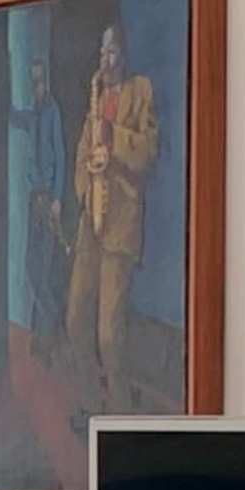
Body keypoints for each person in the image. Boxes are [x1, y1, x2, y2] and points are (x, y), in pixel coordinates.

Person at [70, 21, 161, 406]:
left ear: (123, 54)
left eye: (110, 52)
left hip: (120, 225)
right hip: (91, 222)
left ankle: (120, 413)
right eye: (101, 52)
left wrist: (113, 139)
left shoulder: (140, 91)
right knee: (75, 321)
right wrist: (86, 178)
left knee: (109, 334)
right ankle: (92, 403)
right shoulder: (94, 98)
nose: (104, 60)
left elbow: (148, 152)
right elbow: (79, 158)